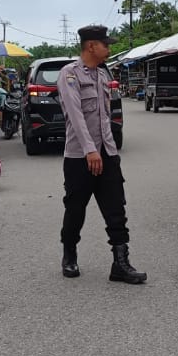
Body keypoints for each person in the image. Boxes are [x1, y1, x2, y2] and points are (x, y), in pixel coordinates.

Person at [56, 25, 146, 284]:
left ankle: (120, 263)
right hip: (78, 157)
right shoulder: (69, 75)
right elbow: (75, 116)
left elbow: (104, 118)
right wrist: (90, 150)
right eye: (105, 44)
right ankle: (69, 254)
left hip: (106, 153)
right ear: (91, 46)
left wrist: (110, 151)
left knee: (116, 208)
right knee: (75, 209)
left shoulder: (104, 75)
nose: (109, 48)